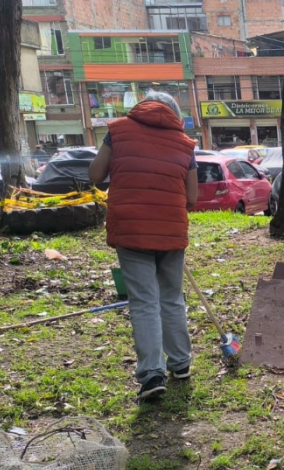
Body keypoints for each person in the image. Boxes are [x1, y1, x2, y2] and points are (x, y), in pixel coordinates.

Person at [89, 91, 198, 401]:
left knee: (144, 301)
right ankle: (180, 363)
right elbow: (191, 198)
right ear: (175, 112)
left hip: (132, 227)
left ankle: (152, 374)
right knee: (172, 298)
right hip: (171, 229)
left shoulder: (117, 131)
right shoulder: (185, 144)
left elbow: (96, 174)